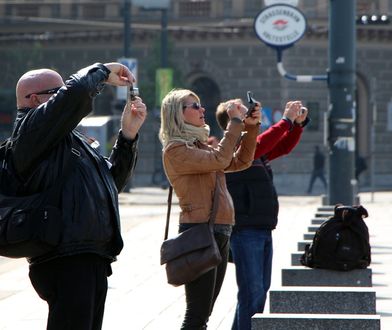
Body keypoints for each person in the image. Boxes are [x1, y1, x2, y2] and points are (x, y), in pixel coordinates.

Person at [11, 62, 147, 330]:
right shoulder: (29, 130)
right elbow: (74, 95)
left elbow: (109, 184)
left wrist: (128, 136)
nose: (64, 95)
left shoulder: (71, 141)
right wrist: (102, 71)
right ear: (34, 100)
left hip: (88, 256)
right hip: (65, 258)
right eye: (57, 92)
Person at [159, 89, 261, 329]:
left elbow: (241, 161)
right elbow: (220, 160)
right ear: (177, 114)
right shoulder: (175, 150)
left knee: (204, 313)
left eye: (200, 104)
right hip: (199, 230)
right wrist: (235, 122)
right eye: (194, 106)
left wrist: (251, 127)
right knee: (196, 315)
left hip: (220, 229)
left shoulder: (199, 146)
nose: (202, 109)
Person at [216, 98, 309, 330]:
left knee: (259, 291)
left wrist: (297, 124)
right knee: (252, 292)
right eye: (241, 111)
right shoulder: (232, 151)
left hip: (262, 227)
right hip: (245, 230)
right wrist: (286, 120)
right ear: (232, 121)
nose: (248, 113)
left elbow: (283, 146)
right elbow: (263, 142)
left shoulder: (253, 150)